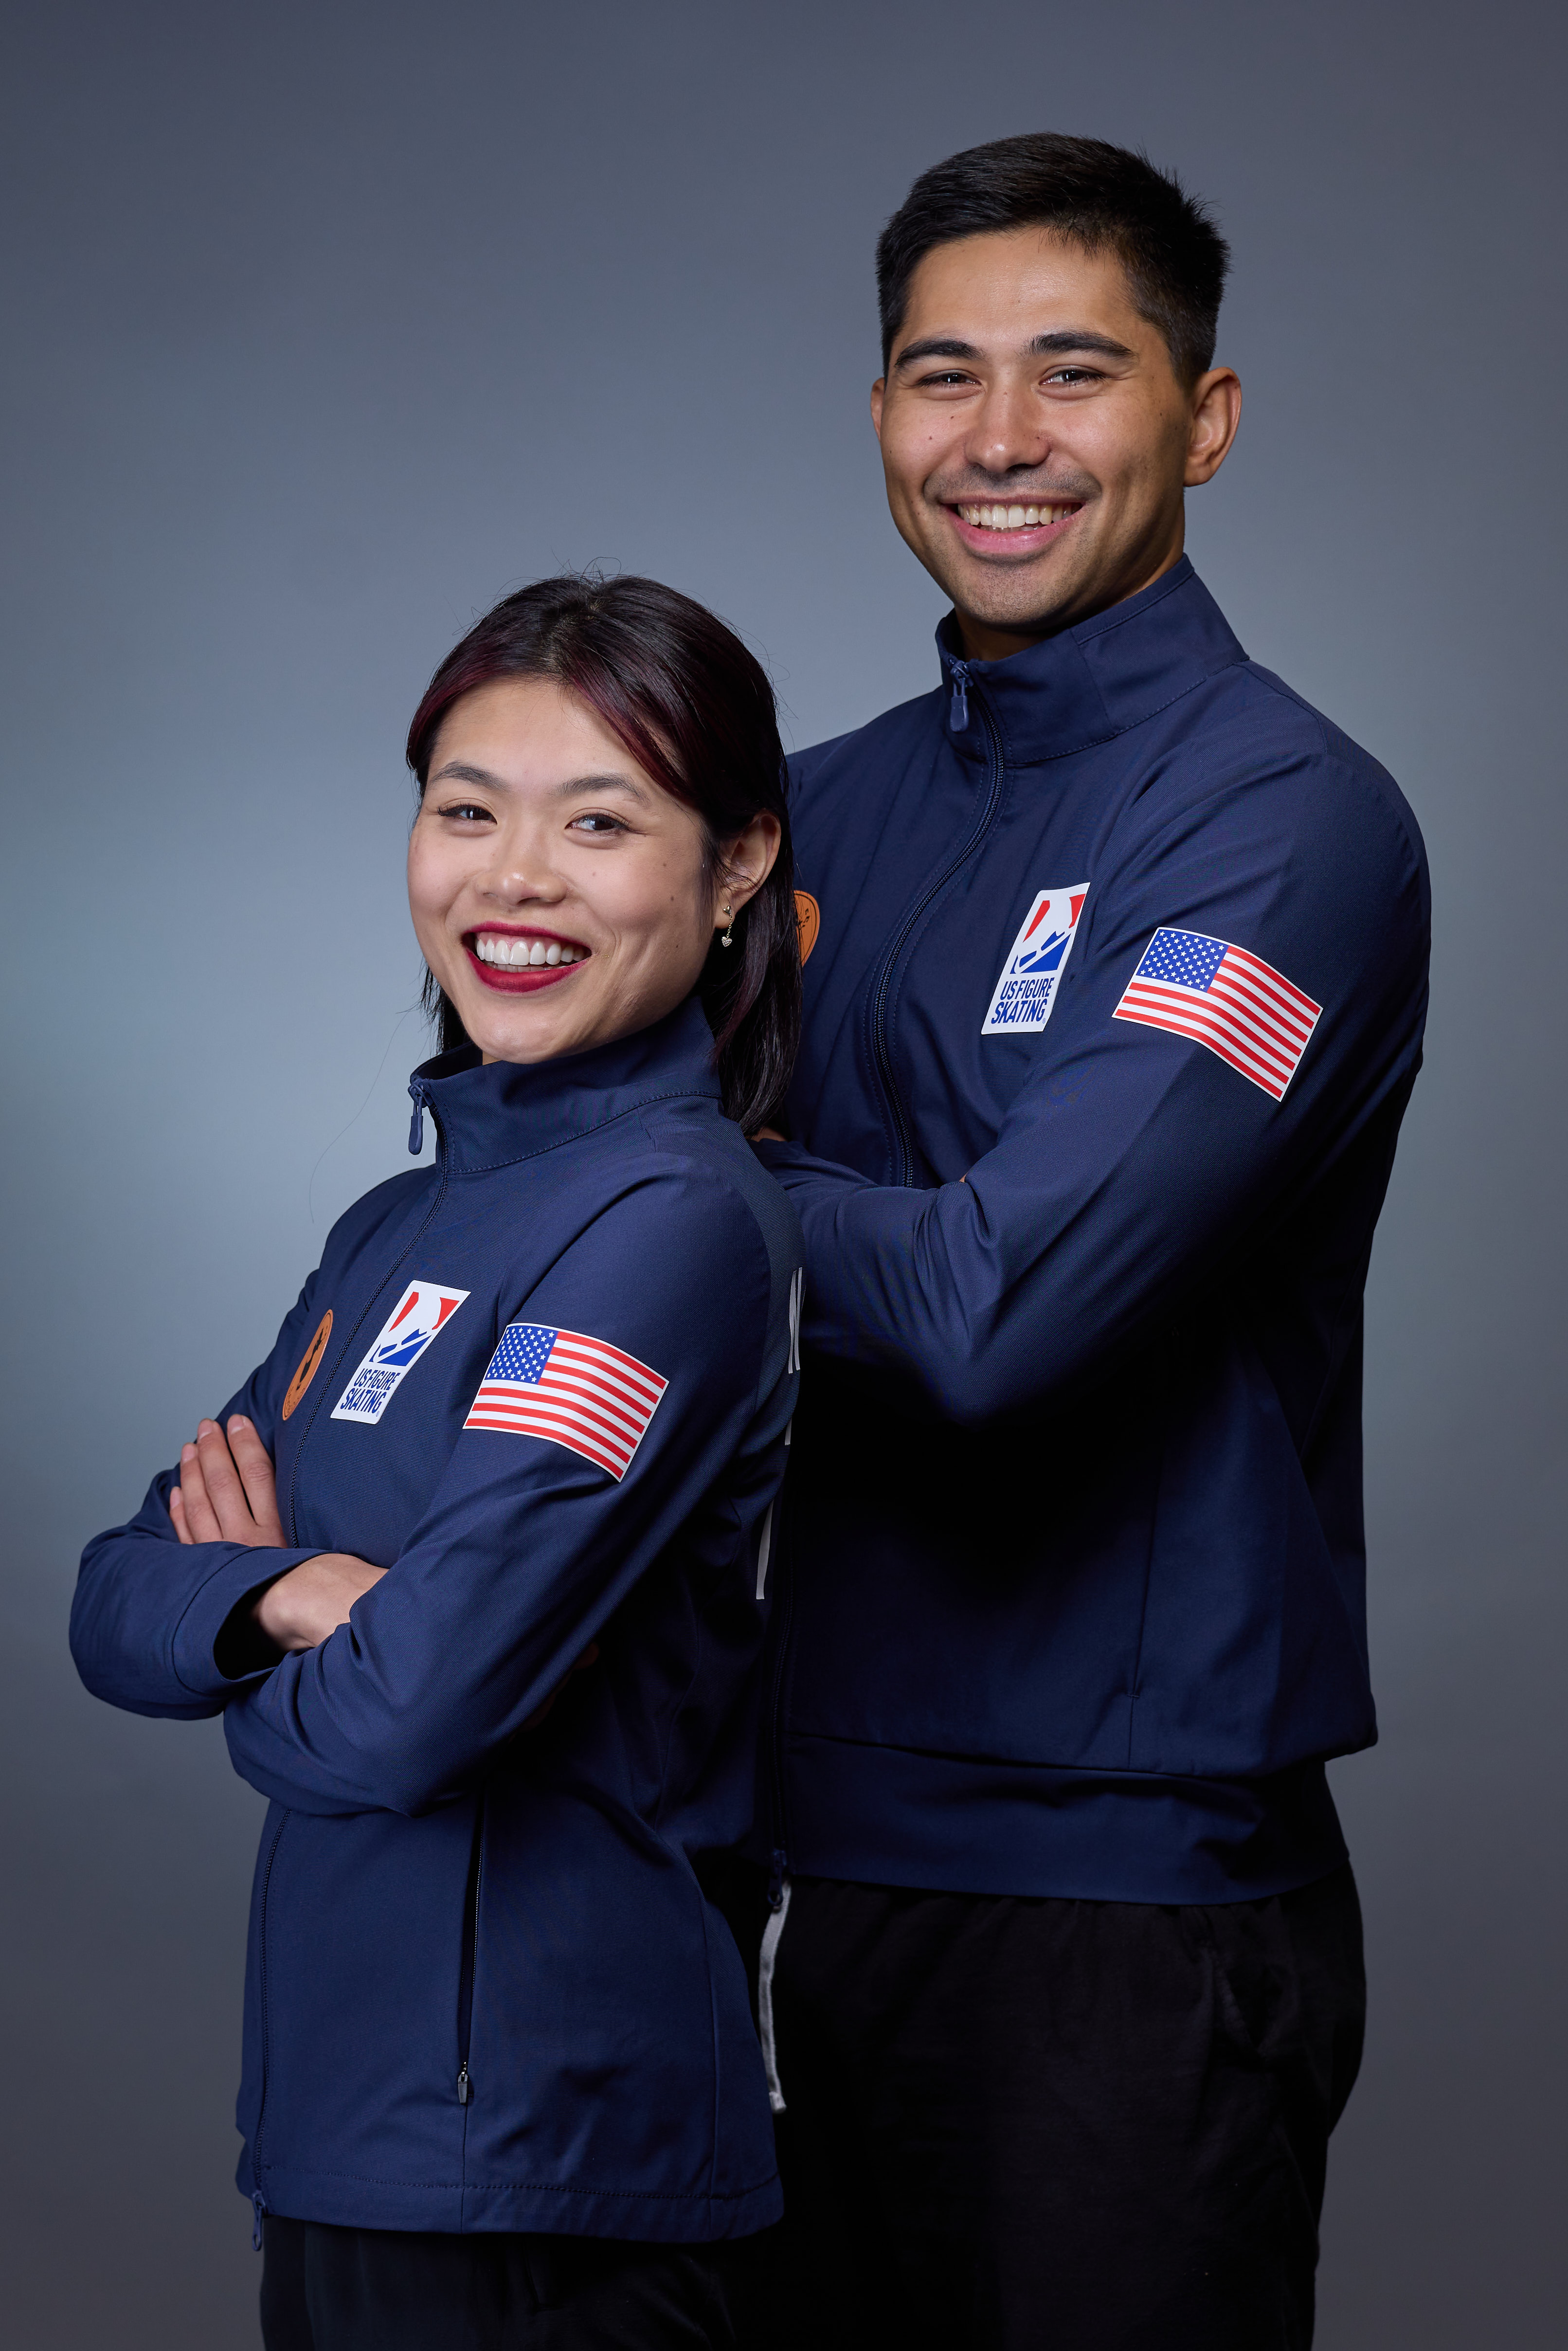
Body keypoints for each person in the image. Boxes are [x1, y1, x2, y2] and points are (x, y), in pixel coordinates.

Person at [742, 135, 1431, 2348]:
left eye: (1075, 370)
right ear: (876, 423)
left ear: (1199, 419)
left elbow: (989, 1309)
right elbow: (562, 1223)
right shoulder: (813, 811)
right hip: (792, 1852)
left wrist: (687, 1196)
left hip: (1119, 1903)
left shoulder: (1279, 817)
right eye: (941, 377)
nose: (999, 441)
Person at [71, 574, 806, 2350]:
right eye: (466, 809)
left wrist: (251, 1638)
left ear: (733, 873)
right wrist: (306, 1591)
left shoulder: (675, 1223)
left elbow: (421, 1709)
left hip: (551, 2155)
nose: (514, 877)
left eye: (601, 820)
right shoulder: (393, 1223)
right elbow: (110, 1599)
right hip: (348, 2130)